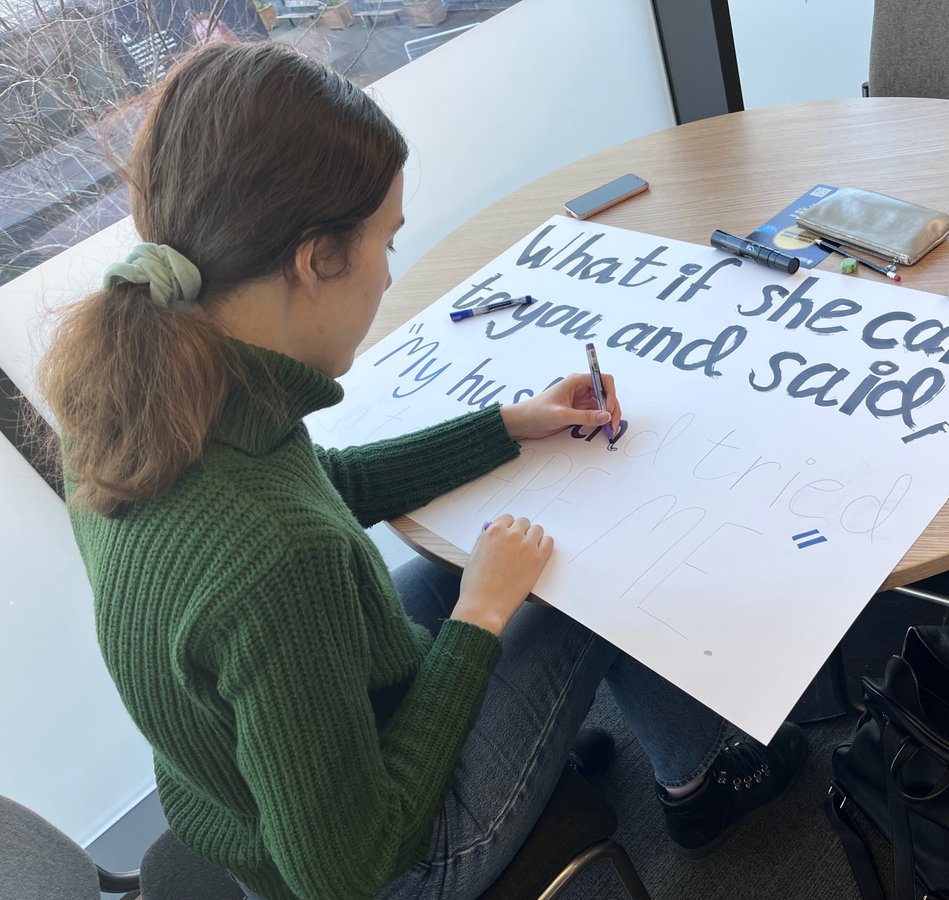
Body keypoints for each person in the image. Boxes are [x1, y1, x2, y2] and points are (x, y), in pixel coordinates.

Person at [39, 41, 807, 900]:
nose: (389, 272)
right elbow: (345, 870)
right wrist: (481, 615)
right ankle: (699, 783)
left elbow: (320, 490)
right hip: (390, 860)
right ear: (314, 257)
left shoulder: (138, 401)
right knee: (585, 589)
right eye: (384, 242)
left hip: (256, 785)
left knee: (454, 578)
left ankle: (535, 744)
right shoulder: (276, 561)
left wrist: (510, 425)